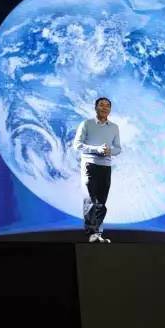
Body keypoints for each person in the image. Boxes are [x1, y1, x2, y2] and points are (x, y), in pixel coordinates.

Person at [73, 97, 121, 243]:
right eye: (101, 105)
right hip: (89, 164)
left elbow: (118, 148)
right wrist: (96, 149)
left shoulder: (114, 127)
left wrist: (110, 151)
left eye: (107, 106)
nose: (104, 108)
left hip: (106, 167)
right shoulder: (86, 124)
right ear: (95, 107)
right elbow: (77, 145)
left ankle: (98, 233)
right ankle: (91, 232)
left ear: (110, 109)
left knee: (101, 202)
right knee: (90, 199)